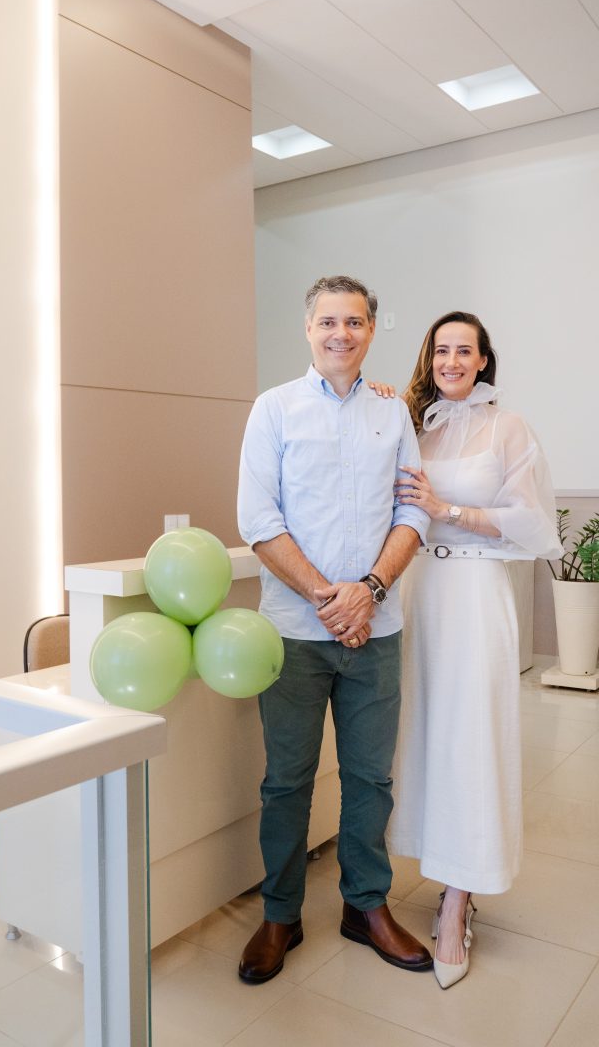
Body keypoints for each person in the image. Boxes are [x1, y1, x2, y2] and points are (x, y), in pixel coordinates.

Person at [236, 275, 433, 985]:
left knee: (370, 779)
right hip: (295, 632)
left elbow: (413, 512)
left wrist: (369, 592)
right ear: (308, 328)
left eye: (354, 322)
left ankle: (365, 906)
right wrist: (330, 599)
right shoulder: (274, 409)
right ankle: (280, 913)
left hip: (377, 630)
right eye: (328, 321)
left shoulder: (392, 412)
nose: (340, 333)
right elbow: (258, 519)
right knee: (286, 782)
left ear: (371, 331)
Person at [388, 311, 561, 989]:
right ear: (429, 359)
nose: (452, 361)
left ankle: (458, 901)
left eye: (465, 350)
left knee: (473, 738)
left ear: (484, 360)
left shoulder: (508, 427)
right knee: (425, 735)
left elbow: (533, 523)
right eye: (441, 351)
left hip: (477, 592)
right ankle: (435, 864)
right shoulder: (415, 424)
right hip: (420, 592)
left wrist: (448, 510)